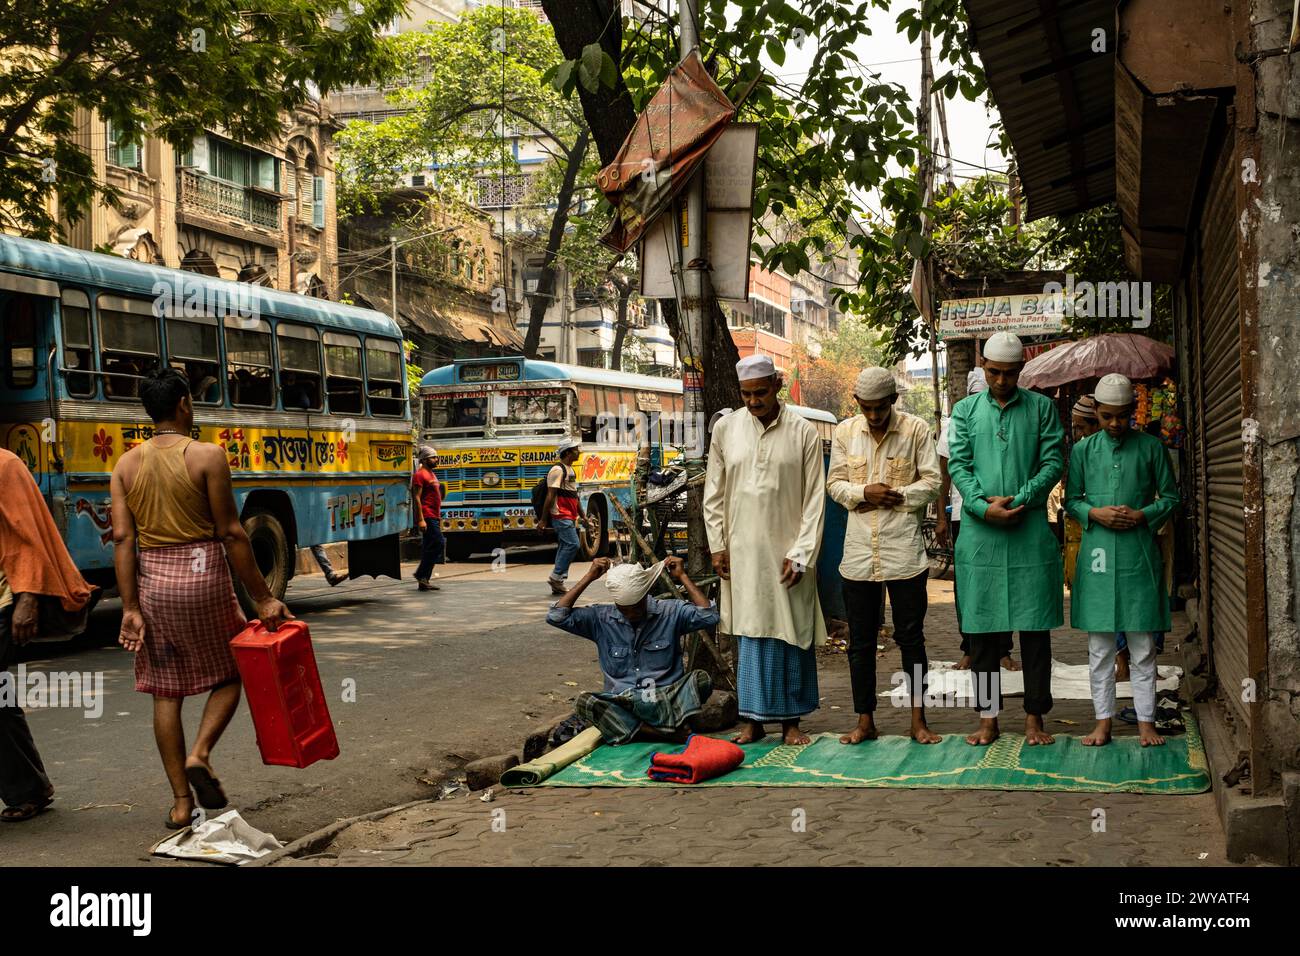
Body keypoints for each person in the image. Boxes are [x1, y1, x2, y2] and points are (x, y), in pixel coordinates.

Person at [111, 367, 293, 830]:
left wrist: (130, 608)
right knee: (232, 670)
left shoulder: (125, 465)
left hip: (155, 584)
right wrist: (264, 599)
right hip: (204, 575)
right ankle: (201, 752)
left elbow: (122, 540)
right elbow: (232, 534)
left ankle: (179, 801)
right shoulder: (208, 456)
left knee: (165, 691)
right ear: (185, 404)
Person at [947, 331, 1065, 747]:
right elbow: (959, 466)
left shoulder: (1042, 409)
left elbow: (1054, 460)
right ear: (983, 366)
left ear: (1021, 371)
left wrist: (1024, 497)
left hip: (1029, 527)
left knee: (1034, 633)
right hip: (981, 534)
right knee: (981, 634)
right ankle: (987, 720)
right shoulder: (963, 411)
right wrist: (981, 507)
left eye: (1009, 373)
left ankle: (1035, 719)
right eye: (994, 372)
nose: (1000, 380)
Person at [704, 355, 826, 746]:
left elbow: (815, 499)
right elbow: (714, 492)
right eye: (746, 394)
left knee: (792, 632)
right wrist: (717, 545)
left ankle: (792, 722)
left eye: (760, 392)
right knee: (749, 632)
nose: (754, 401)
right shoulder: (725, 429)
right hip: (741, 551)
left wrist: (803, 551)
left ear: (776, 384)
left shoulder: (803, 432)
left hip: (789, 553)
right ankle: (752, 721)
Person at [827, 367, 942, 745]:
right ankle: (865, 721)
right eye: (868, 409)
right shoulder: (844, 433)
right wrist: (864, 494)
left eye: (881, 408)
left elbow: (932, 481)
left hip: (904, 551)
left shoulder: (916, 430)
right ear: (858, 403)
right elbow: (835, 484)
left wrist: (897, 497)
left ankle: (918, 720)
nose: (875, 416)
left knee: (911, 638)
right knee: (860, 641)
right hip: (859, 554)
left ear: (894, 401)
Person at [1067, 374, 1179, 748]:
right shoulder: (1082, 451)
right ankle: (1103, 723)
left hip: (1138, 555)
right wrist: (1094, 514)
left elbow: (1171, 498)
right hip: (1098, 556)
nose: (1115, 424)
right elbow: (1072, 501)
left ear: (1133, 412)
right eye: (1107, 416)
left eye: (1122, 416)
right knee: (1100, 648)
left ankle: (1146, 722)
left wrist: (1143, 515)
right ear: (1096, 413)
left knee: (1143, 644)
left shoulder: (1151, 448)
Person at [0, 449, 94, 822]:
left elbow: (27, 538)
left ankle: (29, 788)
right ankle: (29, 789)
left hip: (5, 597)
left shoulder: (6, 465)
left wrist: (28, 598)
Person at [547, 556, 719, 744]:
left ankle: (633, 728)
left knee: (701, 680)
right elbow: (556, 616)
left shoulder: (670, 612)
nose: (630, 615)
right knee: (585, 702)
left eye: (636, 608)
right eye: (624, 609)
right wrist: (589, 576)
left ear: (645, 596)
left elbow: (708, 616)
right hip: (623, 702)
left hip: (664, 697)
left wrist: (682, 576)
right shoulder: (600, 618)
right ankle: (661, 732)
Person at [937, 368, 1016, 672]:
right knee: (969, 585)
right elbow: (944, 476)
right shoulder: (956, 422)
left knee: (1003, 581)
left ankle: (1003, 648)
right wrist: (942, 517)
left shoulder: (1008, 420)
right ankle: (969, 647)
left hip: (1004, 509)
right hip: (964, 514)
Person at [539, 439, 582, 596]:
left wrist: (582, 516)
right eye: (576, 449)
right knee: (573, 544)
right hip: (560, 514)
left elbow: (574, 495)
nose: (579, 452)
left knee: (565, 545)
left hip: (569, 515)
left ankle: (557, 581)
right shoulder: (557, 470)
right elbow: (550, 496)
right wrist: (543, 519)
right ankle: (556, 577)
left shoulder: (570, 470)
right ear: (568, 452)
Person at [410, 445, 445, 592]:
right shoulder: (420, 475)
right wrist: (420, 519)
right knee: (439, 543)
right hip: (427, 515)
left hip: (434, 516)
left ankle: (424, 581)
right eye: (433, 457)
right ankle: (420, 574)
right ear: (424, 459)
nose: (436, 459)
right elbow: (416, 497)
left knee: (428, 547)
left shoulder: (431, 474)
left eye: (436, 457)